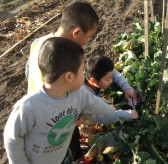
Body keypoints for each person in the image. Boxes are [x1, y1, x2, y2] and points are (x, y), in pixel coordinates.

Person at [25, 0, 137, 161]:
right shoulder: (65, 66)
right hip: (54, 129)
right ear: (76, 32)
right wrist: (123, 114)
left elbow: (29, 73)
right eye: (89, 36)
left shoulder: (38, 43)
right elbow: (91, 111)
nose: (87, 42)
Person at [4, 37, 115, 164]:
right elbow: (12, 138)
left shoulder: (74, 93)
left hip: (62, 154)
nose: (85, 74)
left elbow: (95, 104)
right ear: (69, 76)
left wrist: (111, 110)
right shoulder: (28, 107)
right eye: (82, 70)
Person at [80, 55, 139, 130]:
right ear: (93, 81)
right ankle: (86, 125)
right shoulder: (84, 96)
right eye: (107, 79)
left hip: (93, 98)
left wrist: (126, 88)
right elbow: (100, 117)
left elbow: (114, 74)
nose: (111, 81)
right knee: (91, 120)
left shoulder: (91, 74)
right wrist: (127, 114)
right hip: (80, 112)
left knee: (108, 107)